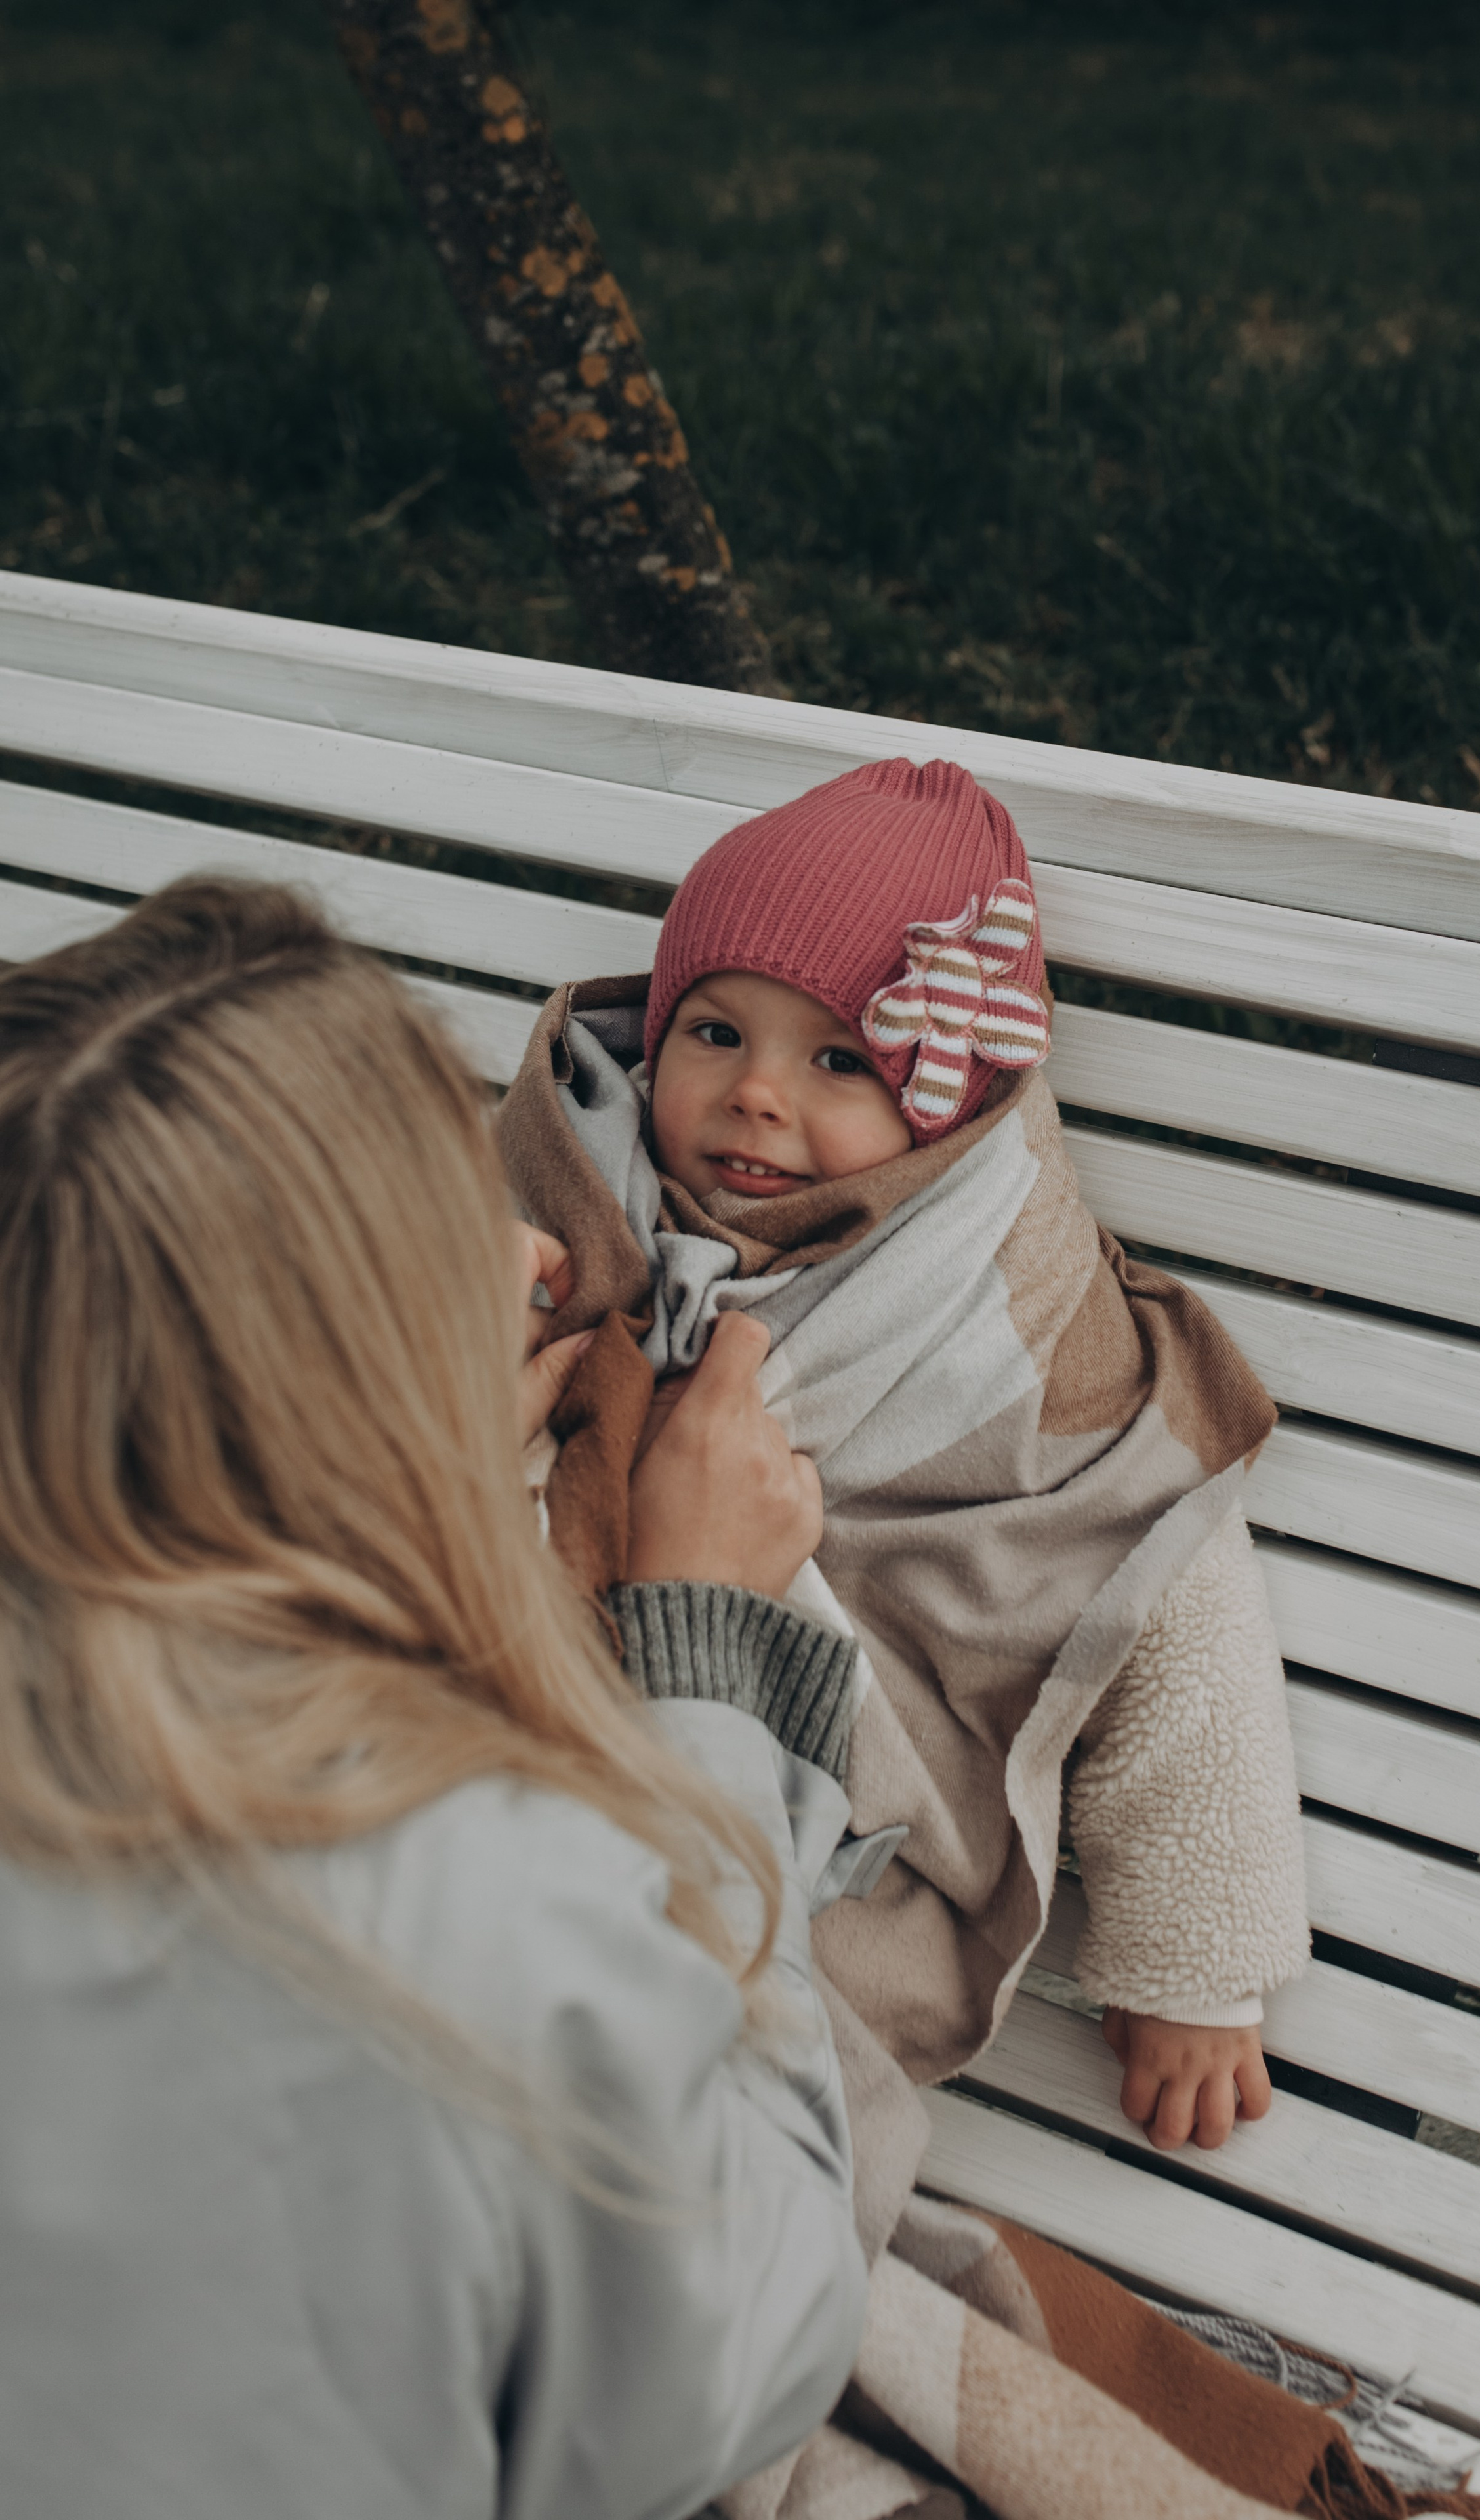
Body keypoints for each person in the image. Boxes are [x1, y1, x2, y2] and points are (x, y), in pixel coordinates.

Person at [0, 879, 869, 2520]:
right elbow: (763, 2323)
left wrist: (365, 1497)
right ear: (342, 1351)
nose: (530, 1250)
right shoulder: (491, 1925)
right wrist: (697, 1669)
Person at [497, 756, 1311, 2162]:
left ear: (947, 1108)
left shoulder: (1016, 1329)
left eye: (837, 1063)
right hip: (509, 1755)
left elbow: (1160, 1595)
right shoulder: (557, 1208)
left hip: (811, 1844)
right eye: (712, 1033)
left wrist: (1194, 1965)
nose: (754, 1097)